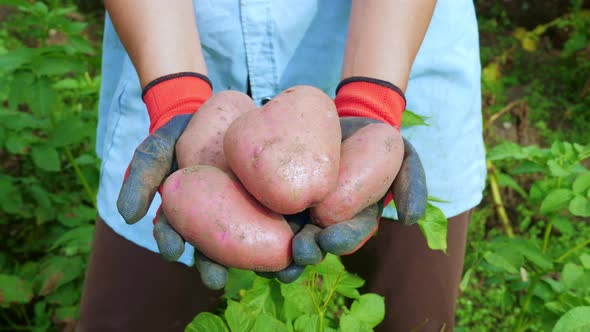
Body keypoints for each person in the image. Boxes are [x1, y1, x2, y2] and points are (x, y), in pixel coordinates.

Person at [76, 0, 486, 331]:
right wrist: (175, 95)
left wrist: (371, 100)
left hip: (396, 40)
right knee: (127, 314)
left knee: (415, 318)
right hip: (165, 40)